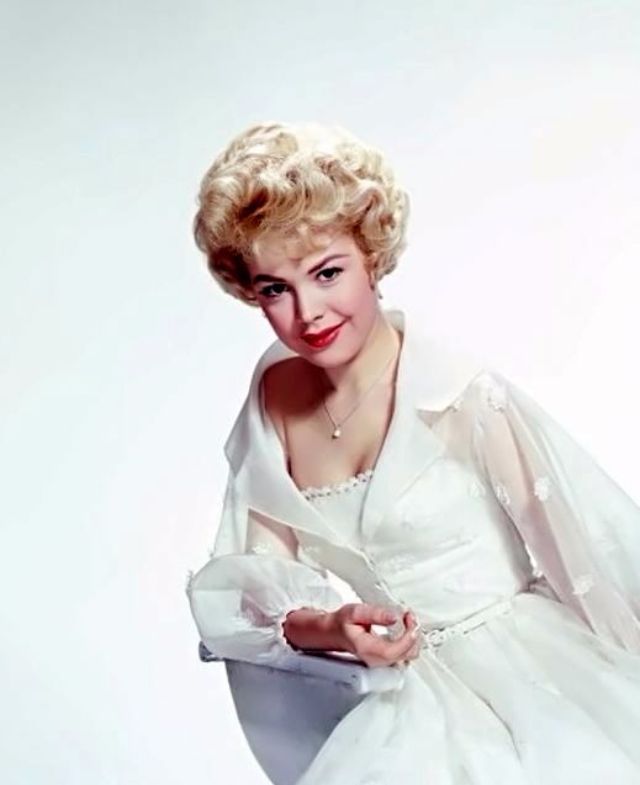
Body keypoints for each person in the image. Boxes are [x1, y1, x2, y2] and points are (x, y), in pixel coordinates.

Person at [186, 121, 640, 784]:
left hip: (536, 673)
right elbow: (252, 596)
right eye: (275, 289)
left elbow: (584, 563)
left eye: (327, 272)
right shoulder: (273, 398)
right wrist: (336, 625)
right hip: (408, 702)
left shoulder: (456, 390)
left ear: (372, 255)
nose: (308, 313)